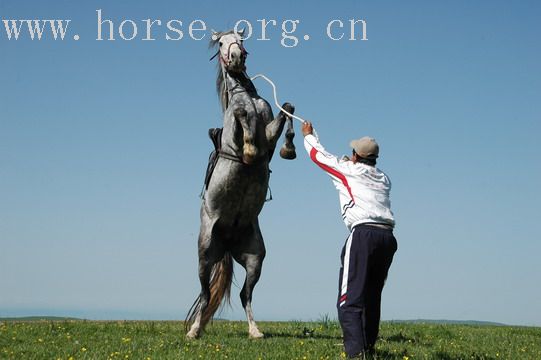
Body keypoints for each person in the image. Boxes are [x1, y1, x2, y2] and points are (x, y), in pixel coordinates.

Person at [302, 121, 398, 359]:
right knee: (371, 297)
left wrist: (309, 136)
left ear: (355, 155)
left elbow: (318, 156)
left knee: (349, 302)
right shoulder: (384, 178)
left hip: (364, 234)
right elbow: (354, 168)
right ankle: (368, 349)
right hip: (387, 238)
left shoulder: (348, 170)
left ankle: (356, 355)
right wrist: (349, 161)